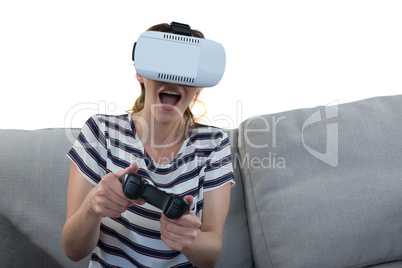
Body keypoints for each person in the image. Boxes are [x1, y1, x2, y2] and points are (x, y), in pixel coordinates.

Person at [62, 22, 234, 268]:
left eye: (186, 70)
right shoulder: (100, 131)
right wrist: (92, 207)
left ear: (198, 88)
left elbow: (211, 255)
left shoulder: (214, 144)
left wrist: (188, 239)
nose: (173, 78)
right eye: (162, 64)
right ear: (139, 73)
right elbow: (72, 250)